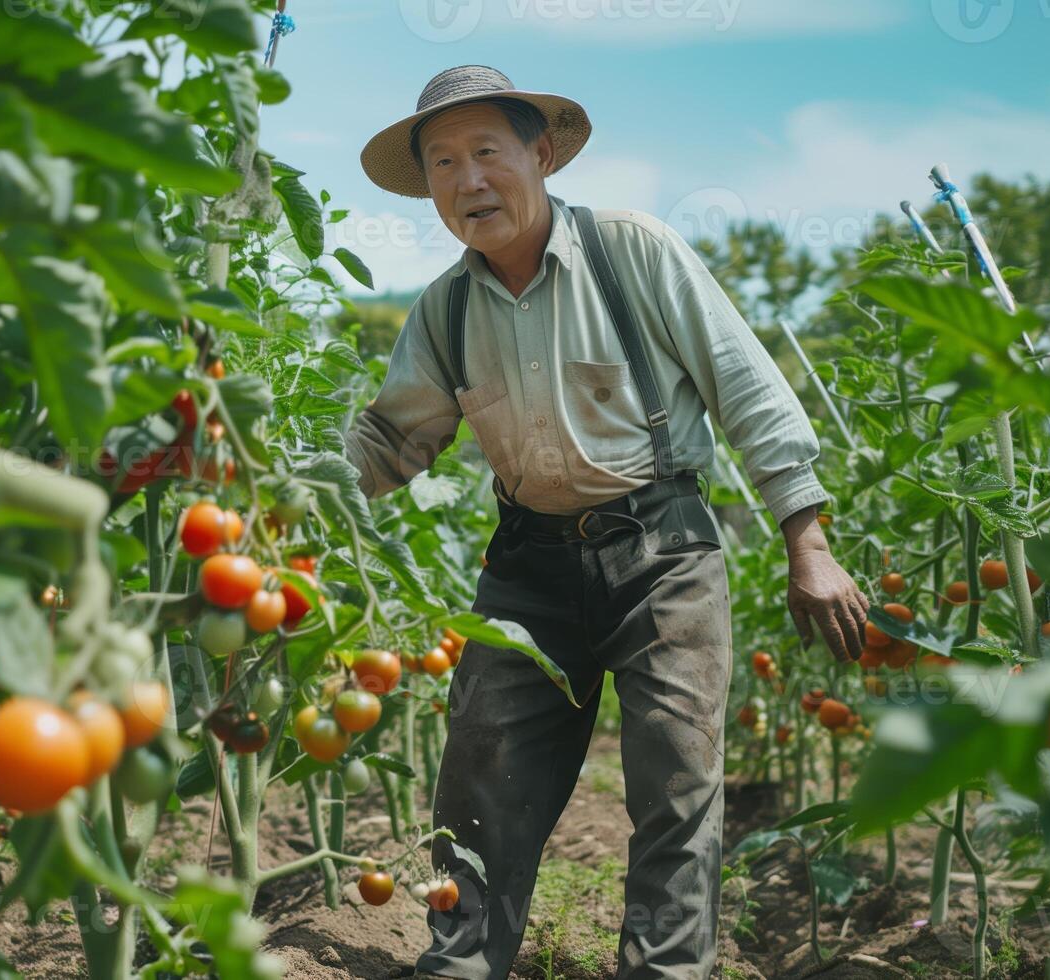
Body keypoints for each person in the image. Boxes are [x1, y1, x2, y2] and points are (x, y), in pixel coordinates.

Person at [342, 65, 870, 980]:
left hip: (661, 551)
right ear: (426, 184)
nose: (468, 182)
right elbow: (391, 441)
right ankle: (460, 966)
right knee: (481, 779)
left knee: (674, 780)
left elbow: (744, 385)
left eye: (486, 154)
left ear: (540, 155)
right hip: (527, 565)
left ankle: (663, 971)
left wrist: (807, 541)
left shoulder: (632, 250)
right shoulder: (446, 308)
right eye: (442, 164)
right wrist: (284, 492)